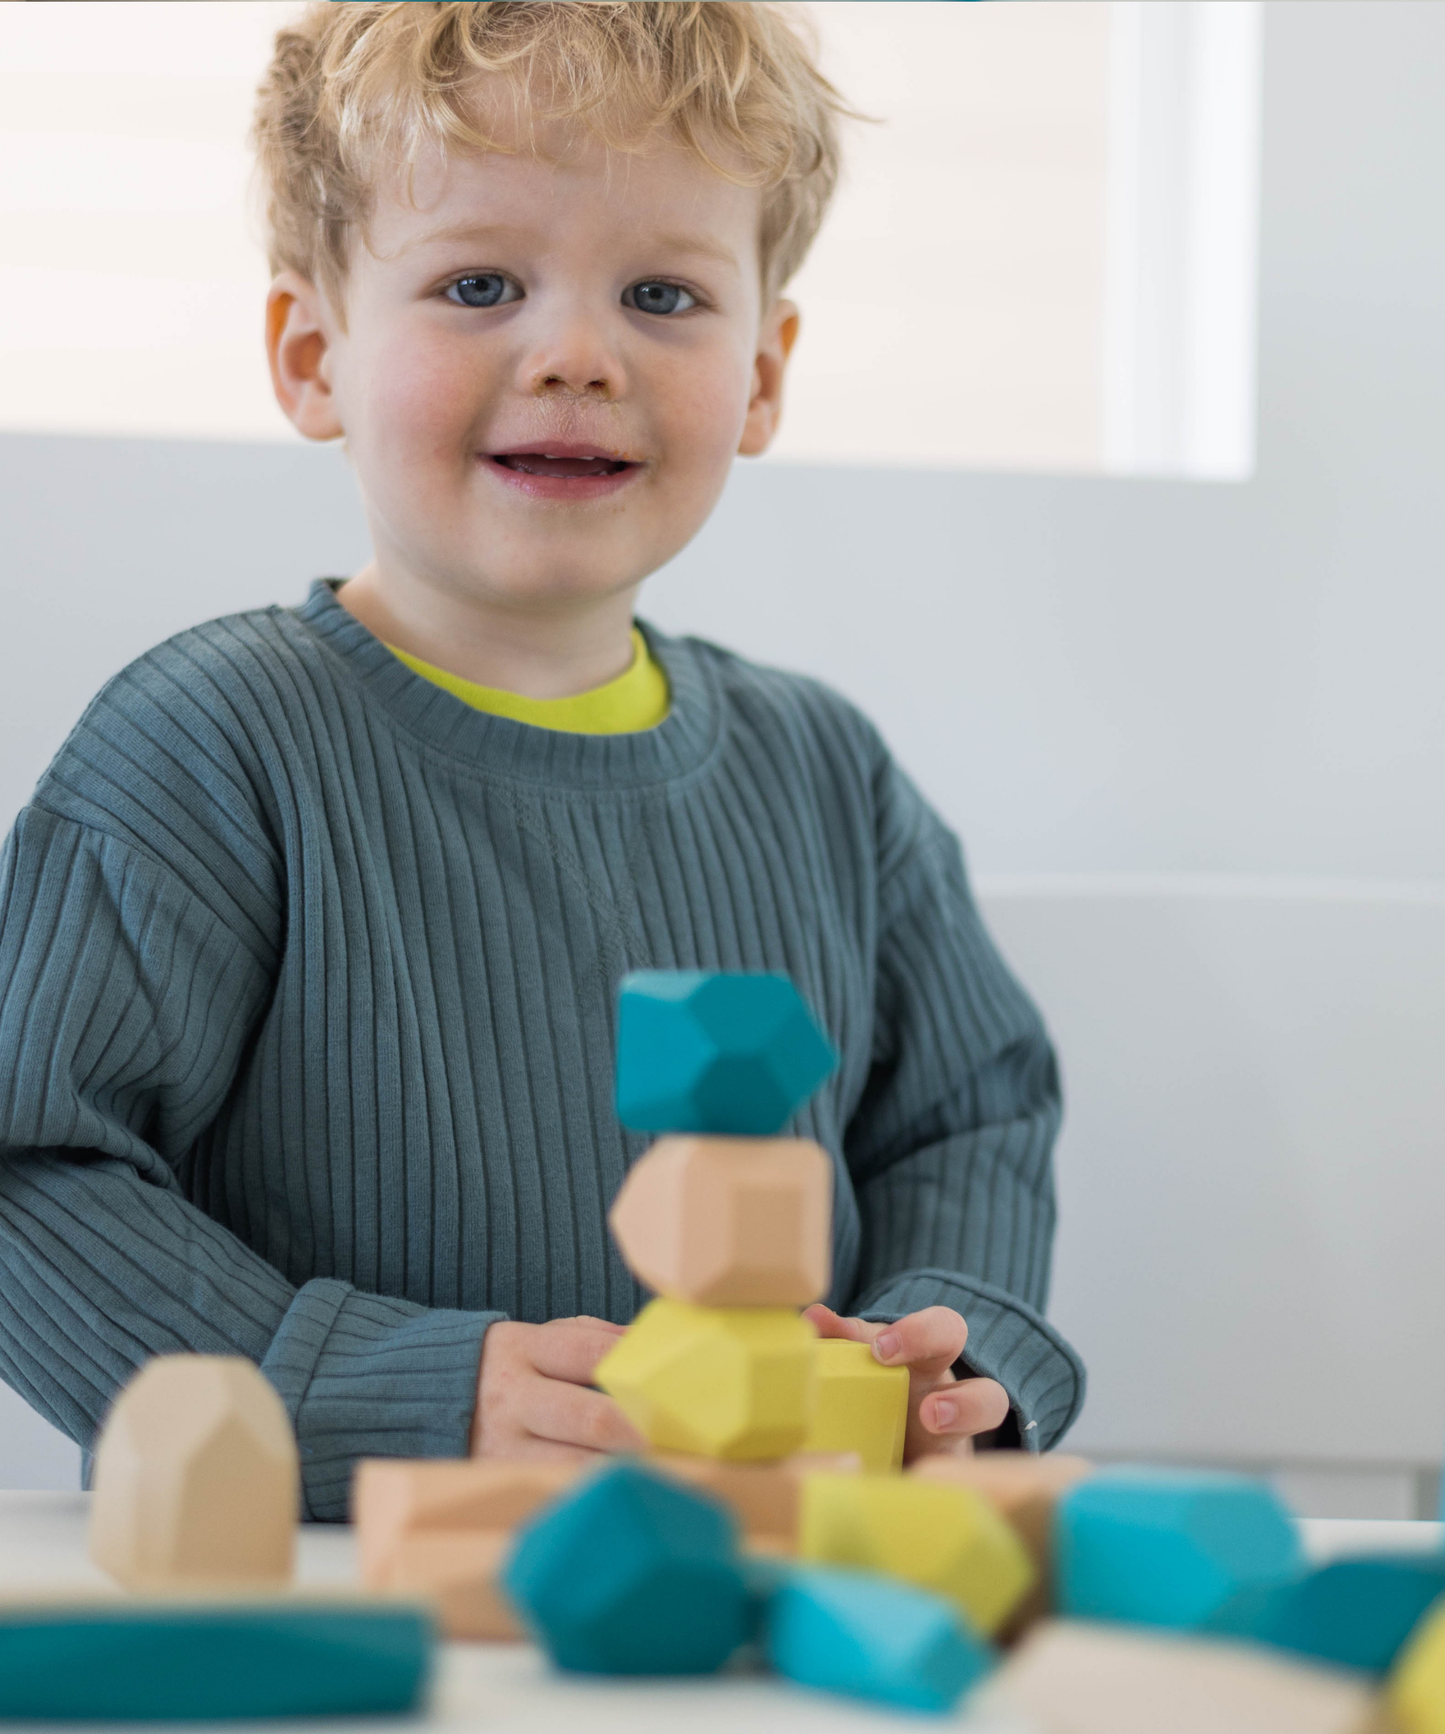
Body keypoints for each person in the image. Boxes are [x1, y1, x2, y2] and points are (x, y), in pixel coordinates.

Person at [0, 1, 1082, 1520]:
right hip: (358, 1588)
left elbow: (970, 1112)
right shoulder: (209, 749)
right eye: (479, 282)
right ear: (313, 354)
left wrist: (958, 1353)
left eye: (661, 292)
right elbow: (28, 1165)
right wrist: (386, 1389)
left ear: (763, 376)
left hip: (761, 1600)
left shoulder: (829, 775)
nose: (577, 353)